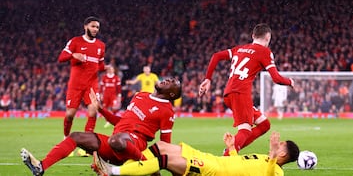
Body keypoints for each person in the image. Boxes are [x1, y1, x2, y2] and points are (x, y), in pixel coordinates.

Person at [20, 77, 182, 176]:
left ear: (172, 94)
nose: (169, 80)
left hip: (134, 144)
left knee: (116, 140)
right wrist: (100, 109)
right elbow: (121, 122)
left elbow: (164, 144)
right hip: (115, 140)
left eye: (173, 83)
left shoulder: (167, 111)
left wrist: (155, 165)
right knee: (76, 136)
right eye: (170, 79)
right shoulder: (140, 95)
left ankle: (145, 165)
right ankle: (41, 167)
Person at [199, 23, 294, 155]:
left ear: (253, 35)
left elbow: (216, 56)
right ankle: (226, 157)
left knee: (264, 125)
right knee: (245, 130)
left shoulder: (240, 48)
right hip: (240, 93)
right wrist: (290, 81)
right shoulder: (265, 52)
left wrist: (208, 78)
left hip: (229, 92)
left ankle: (232, 149)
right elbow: (276, 78)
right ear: (268, 38)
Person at [92, 131, 300, 176]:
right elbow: (239, 165)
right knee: (161, 148)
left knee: (164, 160)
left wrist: (273, 156)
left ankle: (113, 171)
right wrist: (231, 148)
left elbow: (271, 171)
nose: (276, 144)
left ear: (283, 154)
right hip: (213, 160)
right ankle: (126, 166)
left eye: (280, 145)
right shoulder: (263, 158)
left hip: (214, 171)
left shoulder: (277, 171)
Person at [57, 16, 106, 144]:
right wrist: (73, 55)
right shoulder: (75, 41)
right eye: (93, 26)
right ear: (85, 26)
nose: (95, 29)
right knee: (69, 115)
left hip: (92, 85)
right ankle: (66, 138)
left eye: (97, 27)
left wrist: (106, 68)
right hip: (76, 85)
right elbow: (61, 57)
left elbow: (100, 65)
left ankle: (87, 142)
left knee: (93, 111)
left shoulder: (101, 46)